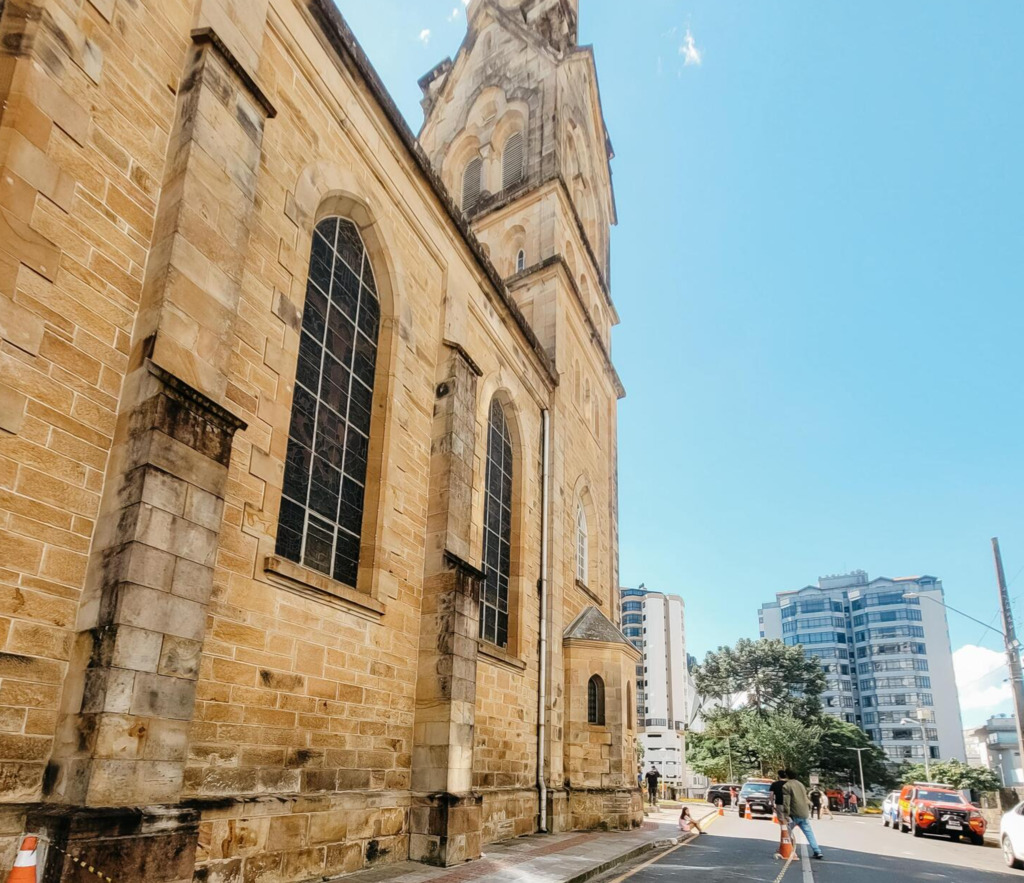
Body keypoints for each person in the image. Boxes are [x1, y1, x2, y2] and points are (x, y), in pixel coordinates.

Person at [783, 770, 824, 860]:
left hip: (794, 813)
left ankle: (790, 849)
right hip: (804, 812)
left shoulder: (786, 786)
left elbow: (786, 802)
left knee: (787, 832)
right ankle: (817, 851)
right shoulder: (801, 784)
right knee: (809, 833)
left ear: (786, 775)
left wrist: (786, 813)